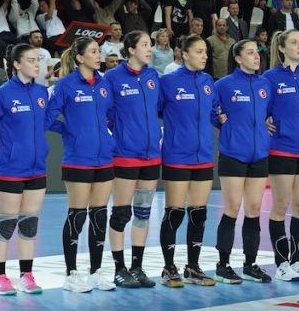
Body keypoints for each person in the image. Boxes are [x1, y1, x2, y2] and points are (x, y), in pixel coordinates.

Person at [46, 38, 116, 293]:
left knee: (99, 214)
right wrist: (68, 130)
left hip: (104, 158)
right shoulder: (65, 85)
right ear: (79, 57)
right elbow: (47, 117)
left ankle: (96, 271)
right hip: (78, 159)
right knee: (77, 214)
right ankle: (71, 273)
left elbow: (112, 114)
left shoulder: (104, 84)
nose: (99, 56)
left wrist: (110, 136)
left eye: (99, 52)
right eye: (94, 52)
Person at [157, 34, 218, 287]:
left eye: (206, 52)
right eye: (199, 51)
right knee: (174, 213)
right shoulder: (168, 82)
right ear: (185, 54)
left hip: (203, 156)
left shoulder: (208, 81)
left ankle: (192, 266)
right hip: (177, 156)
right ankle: (168, 267)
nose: (205, 56)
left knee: (199, 214)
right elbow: (157, 111)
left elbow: (214, 113)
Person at [0, 43, 48, 295]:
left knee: (29, 224)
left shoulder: (43, 92)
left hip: (37, 168)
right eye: (31, 60)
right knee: (6, 223)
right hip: (10, 168)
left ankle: (27, 274)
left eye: (38, 60)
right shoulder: (2, 94)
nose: (37, 64)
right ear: (16, 64)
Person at [103, 30, 159, 288]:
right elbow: (104, 113)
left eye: (151, 44)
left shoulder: (152, 76)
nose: (150, 48)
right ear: (131, 49)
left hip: (151, 156)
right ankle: (118, 268)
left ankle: (137, 267)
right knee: (121, 213)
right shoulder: (113, 78)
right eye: (145, 45)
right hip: (125, 156)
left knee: (143, 213)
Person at [213, 40, 272, 284]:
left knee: (254, 210)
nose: (255, 56)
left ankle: (250, 264)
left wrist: (270, 123)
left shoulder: (264, 84)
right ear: (237, 58)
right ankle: (223, 265)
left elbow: (271, 113)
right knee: (232, 208)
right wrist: (220, 121)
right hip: (233, 154)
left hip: (259, 155)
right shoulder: (223, 85)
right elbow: (211, 111)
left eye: (257, 52)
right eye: (249, 53)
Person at [264, 29, 299, 282]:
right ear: (282, 48)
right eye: (294, 42)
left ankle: (297, 262)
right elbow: (259, 108)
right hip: (281, 149)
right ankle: (281, 263)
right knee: (280, 206)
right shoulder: (270, 78)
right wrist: (265, 121)